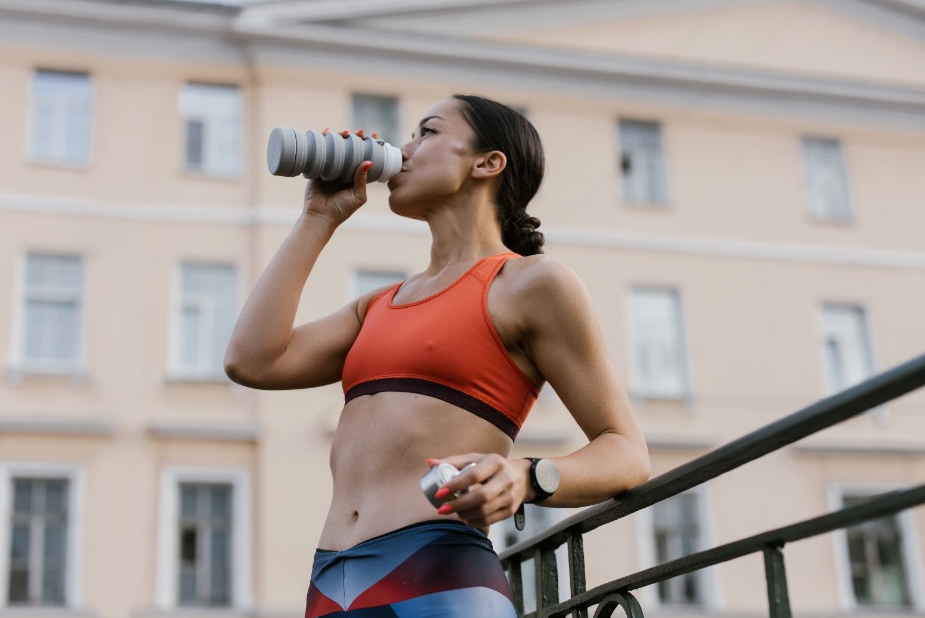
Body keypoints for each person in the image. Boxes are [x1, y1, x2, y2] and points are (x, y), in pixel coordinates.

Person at [224, 94, 650, 617]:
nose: (403, 150)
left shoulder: (530, 283)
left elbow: (627, 453)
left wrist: (527, 477)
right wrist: (318, 216)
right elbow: (251, 360)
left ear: (487, 162)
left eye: (426, 132)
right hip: (330, 581)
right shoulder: (376, 305)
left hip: (436, 572)